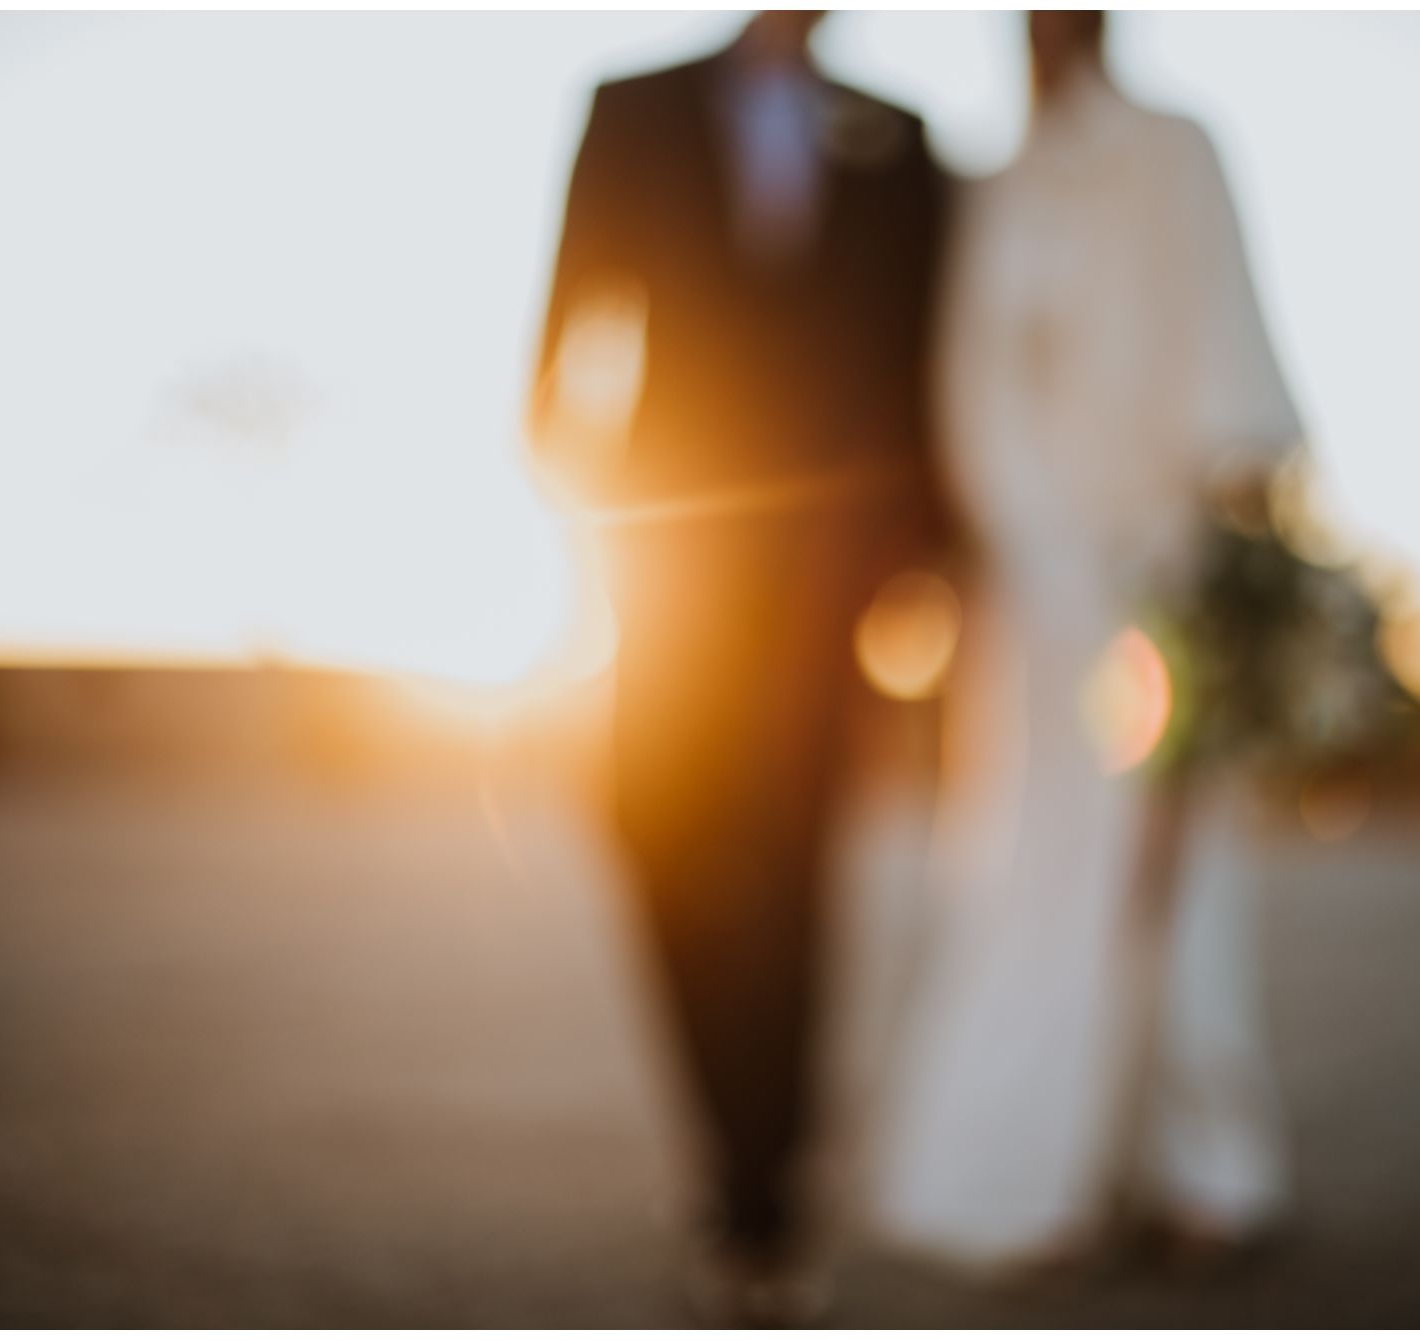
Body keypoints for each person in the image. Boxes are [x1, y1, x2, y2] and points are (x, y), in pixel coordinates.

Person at [527, 11, 950, 1322]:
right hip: (671, 540)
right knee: (651, 826)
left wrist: (923, 558)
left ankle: (765, 1183)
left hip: (833, 568)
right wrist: (552, 483)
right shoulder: (632, 105)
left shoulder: (904, 142)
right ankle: (730, 1136)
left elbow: (921, 356)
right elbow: (570, 308)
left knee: (800, 854)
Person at [868, 10, 1301, 1274]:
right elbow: (967, 391)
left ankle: (1207, 1166)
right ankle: (1037, 1170)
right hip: (1028, 599)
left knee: (1180, 874)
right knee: (1032, 866)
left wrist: (1208, 571)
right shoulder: (989, 185)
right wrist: (1035, 551)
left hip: (1164, 583)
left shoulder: (1175, 150)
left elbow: (1225, 358)